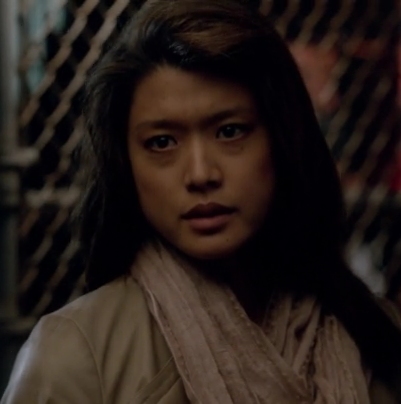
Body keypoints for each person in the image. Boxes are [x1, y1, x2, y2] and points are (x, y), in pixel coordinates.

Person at [2, 0, 401, 402]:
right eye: (162, 142)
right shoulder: (75, 356)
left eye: (230, 132)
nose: (200, 174)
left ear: (282, 140)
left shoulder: (375, 336)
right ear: (126, 164)